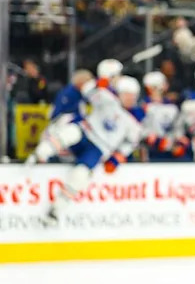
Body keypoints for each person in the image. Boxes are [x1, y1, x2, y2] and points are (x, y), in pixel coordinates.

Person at [29, 75, 144, 225]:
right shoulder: (108, 99)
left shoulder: (134, 122)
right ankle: (40, 154)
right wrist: (98, 83)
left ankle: (56, 210)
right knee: (69, 131)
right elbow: (87, 90)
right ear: (120, 92)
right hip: (86, 132)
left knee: (81, 175)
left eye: (133, 96)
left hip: (99, 148)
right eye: (127, 94)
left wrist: (116, 158)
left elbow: (129, 144)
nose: (130, 99)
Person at [141, 71, 183, 160]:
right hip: (151, 152)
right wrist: (157, 142)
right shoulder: (144, 106)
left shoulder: (172, 106)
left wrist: (179, 143)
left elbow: (177, 128)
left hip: (171, 152)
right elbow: (142, 131)